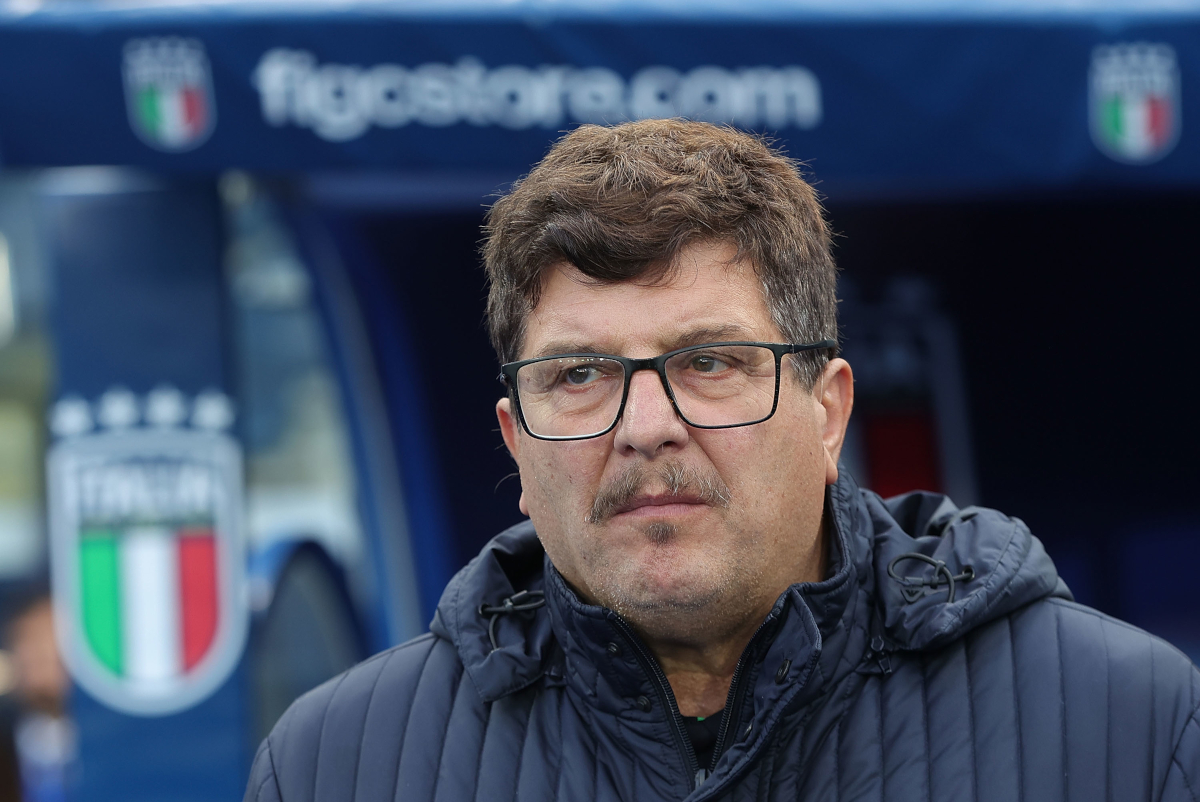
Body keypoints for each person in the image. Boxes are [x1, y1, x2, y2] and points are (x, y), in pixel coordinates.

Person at [244, 120, 1200, 802]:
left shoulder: (1130, 729)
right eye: (580, 373)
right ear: (516, 445)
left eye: (710, 362)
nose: (646, 424)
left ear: (828, 412)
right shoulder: (340, 767)